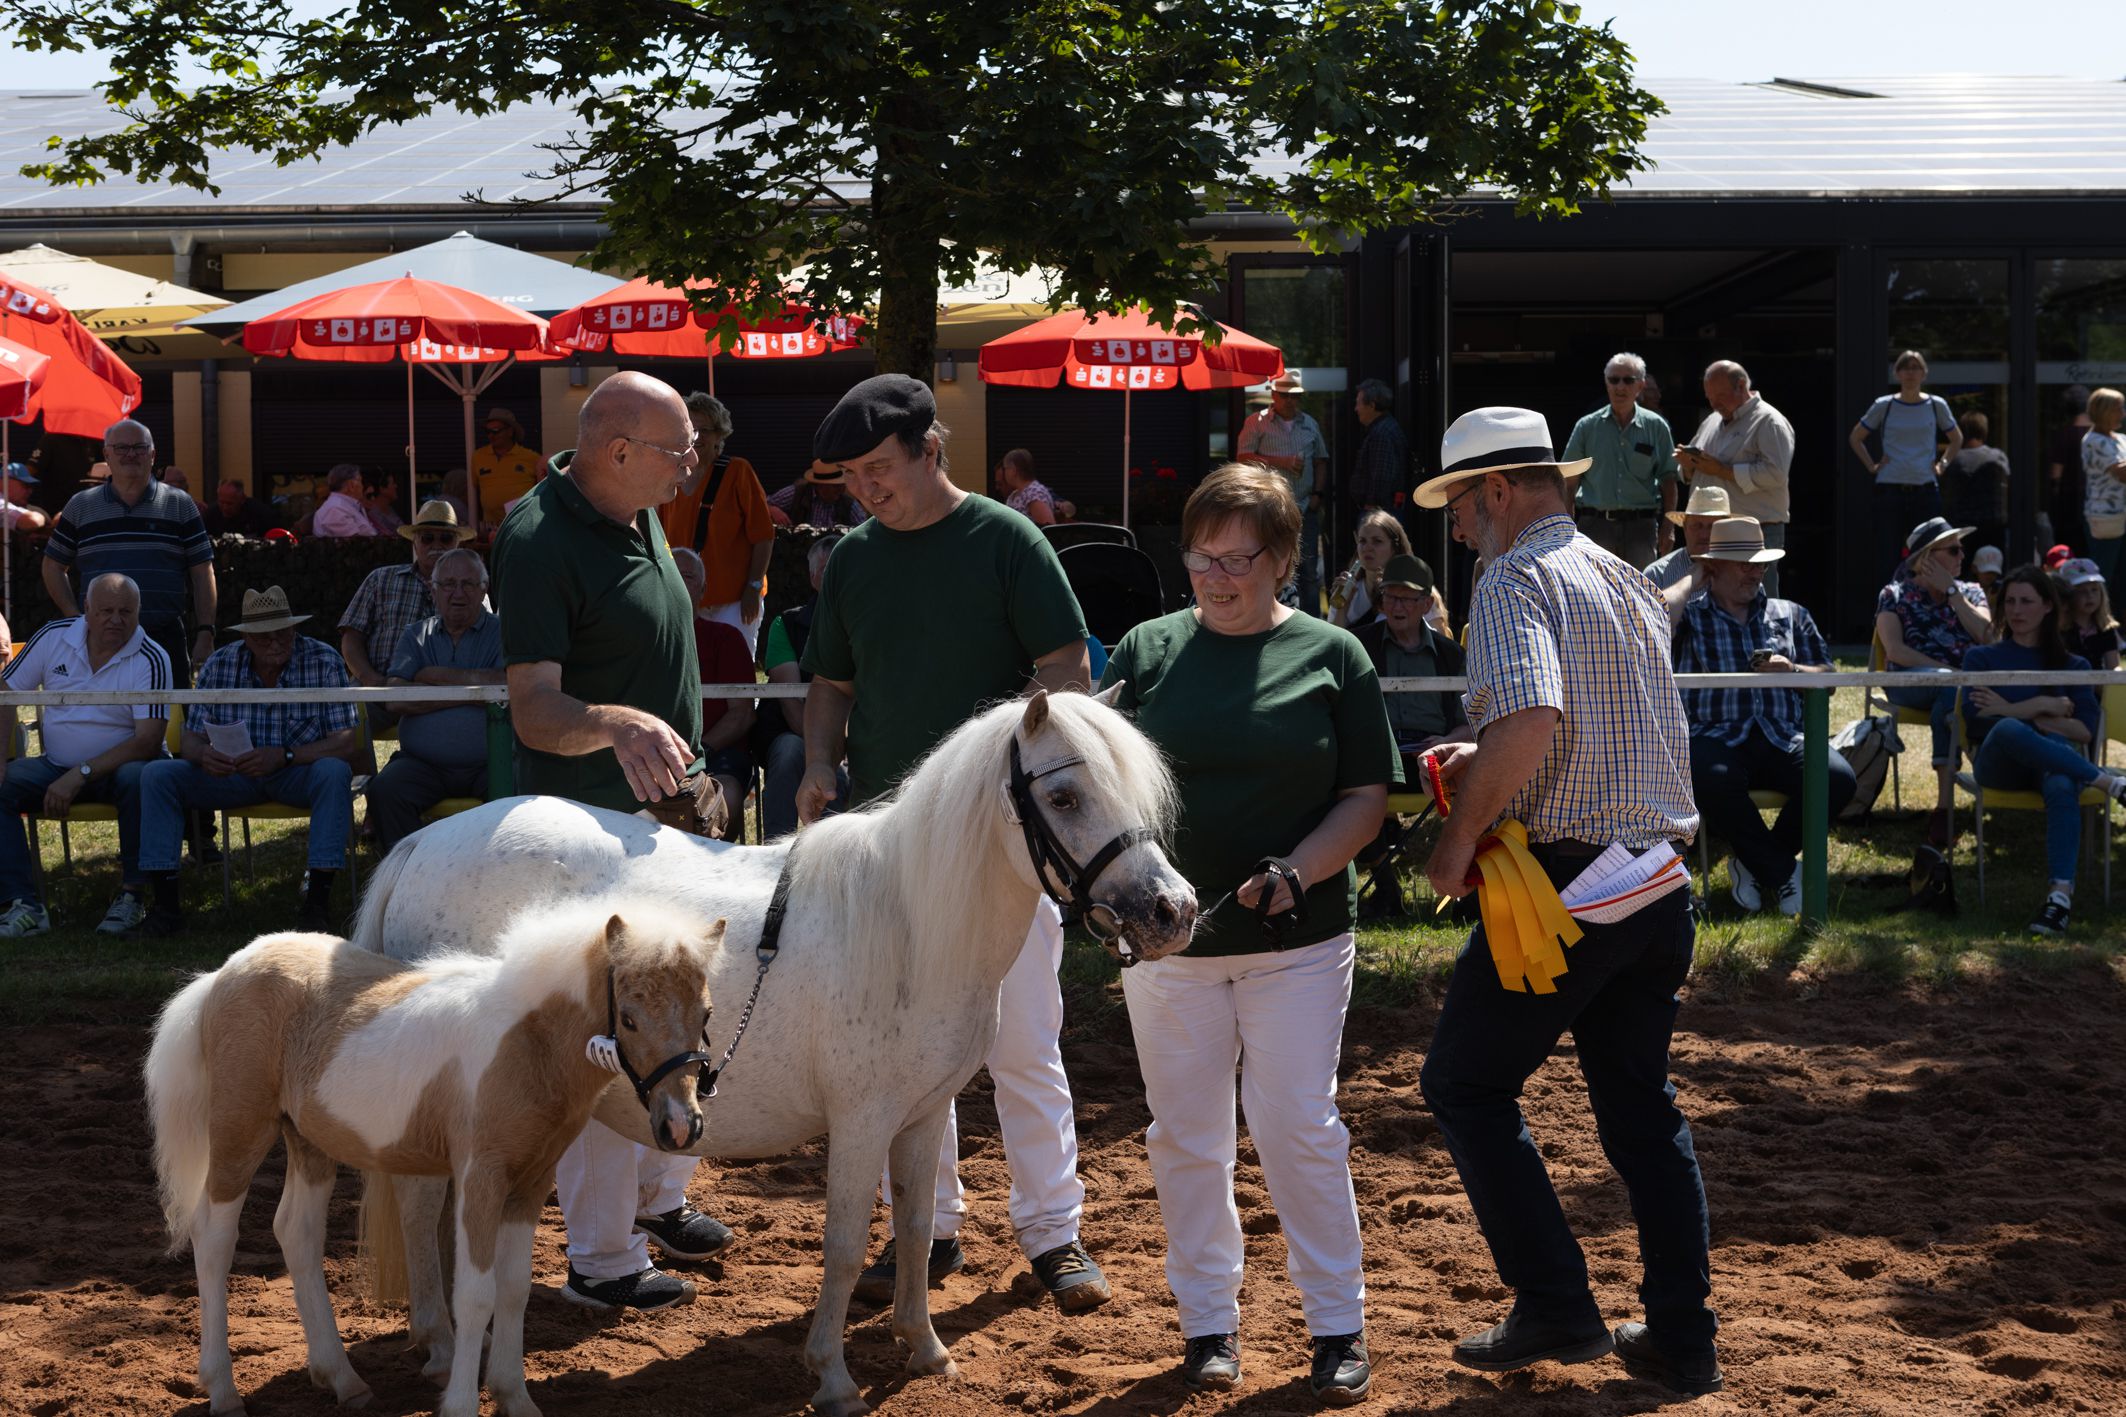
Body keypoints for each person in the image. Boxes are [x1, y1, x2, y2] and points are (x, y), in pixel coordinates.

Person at [1413, 405, 1719, 1398]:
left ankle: (1555, 1299)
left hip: (1571, 883)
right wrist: (1492, 758)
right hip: (1657, 877)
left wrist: (1457, 836)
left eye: (1457, 503)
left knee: (1463, 1083)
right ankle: (1680, 1333)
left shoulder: (1510, 577)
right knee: (1639, 1111)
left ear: (1497, 490)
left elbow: (1536, 717)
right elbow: (1600, 723)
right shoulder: (1622, 574)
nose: (1456, 525)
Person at [796, 373, 1109, 1315]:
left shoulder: (1008, 539)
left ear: (932, 449)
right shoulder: (852, 559)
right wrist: (817, 762)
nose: (865, 488)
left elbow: (1067, 674)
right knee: (897, 1053)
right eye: (850, 475)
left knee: (1022, 1042)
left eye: (878, 468)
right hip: (887, 850)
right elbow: (831, 686)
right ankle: (927, 1226)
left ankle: (1054, 1230)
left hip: (1002, 852)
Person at [1099, 464, 1393, 1401]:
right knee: (1185, 1136)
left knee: (1298, 1126)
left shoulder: (1335, 654)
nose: (1216, 575)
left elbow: (1365, 798)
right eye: (1200, 555)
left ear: (1283, 559)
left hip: (1296, 944)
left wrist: (1297, 870)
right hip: (1167, 947)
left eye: (1238, 557)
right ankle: (1207, 1326)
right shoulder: (1145, 649)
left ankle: (1337, 1324)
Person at [490, 369, 730, 1312]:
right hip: (593, 836)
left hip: (665, 822)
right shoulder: (543, 534)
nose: (693, 465)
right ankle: (599, 1256)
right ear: (617, 449)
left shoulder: (636, 507)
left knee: (681, 1025)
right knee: (608, 1045)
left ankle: (658, 1200)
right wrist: (620, 724)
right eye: (679, 451)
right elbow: (534, 711)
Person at [135, 585, 360, 936]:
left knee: (333, 771)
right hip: (232, 775)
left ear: (294, 630)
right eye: (262, 637)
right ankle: (165, 906)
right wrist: (204, 755)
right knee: (159, 775)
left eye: (282, 635)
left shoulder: (324, 660)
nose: (273, 643)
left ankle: (317, 903)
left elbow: (347, 742)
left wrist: (285, 756)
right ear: (246, 638)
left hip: (296, 773)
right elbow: (190, 737)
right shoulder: (220, 663)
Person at [1672, 516, 1854, 915]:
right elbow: (1649, 617)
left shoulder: (1791, 613)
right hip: (1716, 736)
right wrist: (1694, 577)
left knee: (1838, 778)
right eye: (1744, 563)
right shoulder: (1692, 615)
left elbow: (1830, 676)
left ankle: (1755, 864)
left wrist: (1793, 671)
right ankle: (1784, 871)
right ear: (1714, 567)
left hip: (1780, 734)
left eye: (1761, 563)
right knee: (1709, 777)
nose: (1756, 572)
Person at [0, 574, 173, 937]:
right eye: (106, 610)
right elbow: (6, 692)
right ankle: (23, 904)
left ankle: (132, 896)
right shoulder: (54, 636)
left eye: (126, 611)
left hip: (120, 769)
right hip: (55, 766)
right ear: (87, 611)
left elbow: (147, 741)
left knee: (139, 777)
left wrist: (80, 773)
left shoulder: (152, 657)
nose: (116, 619)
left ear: (139, 613)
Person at [1962, 565, 2126, 936]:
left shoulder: (2074, 665)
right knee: (2007, 729)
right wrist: (2043, 705)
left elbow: (2083, 730)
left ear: (2049, 606)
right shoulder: (1981, 659)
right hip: (1996, 764)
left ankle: (2059, 899)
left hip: (2052, 764)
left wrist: (2011, 708)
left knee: (2061, 783)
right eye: (2011, 602)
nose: (2016, 610)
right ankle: (2108, 783)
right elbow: (1978, 721)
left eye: (2027, 601)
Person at [44, 419, 218, 680]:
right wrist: (75, 618)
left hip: (164, 636)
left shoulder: (180, 505)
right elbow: (53, 566)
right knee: (101, 718)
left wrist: (206, 631)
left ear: (152, 455)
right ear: (107, 454)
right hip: (98, 641)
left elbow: (203, 572)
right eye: (122, 448)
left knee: (172, 717)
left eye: (139, 447)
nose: (130, 454)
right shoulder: (80, 506)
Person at [1351, 552, 1470, 918]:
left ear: (1427, 603)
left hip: (1436, 755)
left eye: (1406, 598)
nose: (1396, 606)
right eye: (1390, 597)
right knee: (1344, 785)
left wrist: (1449, 737)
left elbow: (1472, 722)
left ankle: (1470, 893)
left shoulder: (1451, 654)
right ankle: (1386, 888)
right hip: (1378, 755)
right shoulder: (1359, 646)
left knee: (1487, 777)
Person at [366, 548, 504, 853]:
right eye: (448, 584)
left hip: (491, 762)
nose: (458, 593)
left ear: (484, 588)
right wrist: (472, 694)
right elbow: (396, 698)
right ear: (433, 589)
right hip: (423, 764)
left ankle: (497, 872)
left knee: (517, 792)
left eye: (468, 584)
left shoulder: (502, 633)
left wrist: (433, 676)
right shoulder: (416, 635)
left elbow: (508, 685)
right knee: (385, 790)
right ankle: (408, 872)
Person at [1877, 516, 1991, 849]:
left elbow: (1988, 637)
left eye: (1961, 550)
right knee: (1949, 688)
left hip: (1962, 688)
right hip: (1909, 681)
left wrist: (1954, 594)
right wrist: (1947, 671)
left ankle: (1946, 807)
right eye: (1953, 551)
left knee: (1951, 697)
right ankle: (1948, 805)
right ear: (1926, 558)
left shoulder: (1969, 591)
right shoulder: (1894, 593)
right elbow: (1896, 650)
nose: (1962, 558)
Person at [659, 392, 773, 657]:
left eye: (704, 430)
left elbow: (764, 536)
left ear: (719, 435)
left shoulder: (737, 471)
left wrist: (753, 587)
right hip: (683, 595)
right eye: (691, 429)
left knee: (737, 666)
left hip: (734, 598)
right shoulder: (670, 474)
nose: (696, 437)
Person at [1679, 361, 1792, 596]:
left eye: (1719, 396)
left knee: (1757, 603)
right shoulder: (1711, 421)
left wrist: (1721, 470)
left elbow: (1776, 474)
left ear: (1741, 386)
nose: (1713, 403)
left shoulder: (1769, 421)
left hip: (1754, 534)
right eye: (1709, 397)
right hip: (1712, 536)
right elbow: (1694, 471)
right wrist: (1689, 466)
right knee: (1712, 604)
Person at [758, 532, 842, 840]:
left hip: (856, 735)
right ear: (813, 576)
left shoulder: (867, 620)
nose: (838, 576)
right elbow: (791, 706)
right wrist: (826, 747)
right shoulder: (786, 624)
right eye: (829, 568)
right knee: (790, 750)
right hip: (797, 733)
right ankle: (775, 852)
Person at [339, 500, 473, 692]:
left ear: (457, 544)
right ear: (415, 542)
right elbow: (351, 636)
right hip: (377, 690)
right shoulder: (381, 579)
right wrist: (371, 679)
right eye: (427, 538)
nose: (437, 545)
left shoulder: (472, 589)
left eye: (446, 538)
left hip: (441, 696)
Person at [1561, 351, 1680, 568]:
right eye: (1614, 380)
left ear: (1641, 386)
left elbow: (1669, 479)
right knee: (1595, 593)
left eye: (1628, 380)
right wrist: (1567, 526)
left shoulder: (1656, 426)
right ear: (1606, 383)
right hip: (1595, 526)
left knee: (1641, 595)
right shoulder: (1587, 426)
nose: (1620, 387)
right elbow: (1570, 480)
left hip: (1641, 528)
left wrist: (1668, 526)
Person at [1848, 350, 1961, 573]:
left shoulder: (1935, 404)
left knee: (1928, 553)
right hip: (1890, 489)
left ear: (1924, 374)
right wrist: (1872, 466)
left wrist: (1942, 464)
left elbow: (1956, 438)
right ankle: (1890, 602)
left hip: (1925, 489)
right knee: (1886, 555)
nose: (1911, 373)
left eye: (1916, 367)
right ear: (1897, 373)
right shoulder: (1885, 404)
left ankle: (1925, 603)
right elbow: (1856, 437)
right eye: (1905, 368)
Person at [672, 547, 755, 841]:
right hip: (655, 754)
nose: (680, 581)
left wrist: (699, 750)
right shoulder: (642, 642)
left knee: (724, 799)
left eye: (689, 576)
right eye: (673, 574)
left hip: (718, 754)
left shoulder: (726, 639)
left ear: (704, 589)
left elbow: (742, 714)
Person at [1241, 373, 1329, 613]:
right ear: (1273, 395)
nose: (1291, 401)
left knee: (1309, 571)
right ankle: (1270, 617)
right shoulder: (1257, 422)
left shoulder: (1309, 423)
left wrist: (1317, 495)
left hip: (1303, 507)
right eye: (1286, 396)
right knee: (1271, 564)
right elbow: (1243, 458)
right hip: (1269, 507)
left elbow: (1321, 460)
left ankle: (1311, 624)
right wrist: (1281, 461)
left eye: (1296, 396)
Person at [1644, 482, 1729, 610]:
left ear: (1726, 530)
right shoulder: (1657, 575)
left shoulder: (1742, 572)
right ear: (1684, 528)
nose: (1704, 534)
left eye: (1713, 527)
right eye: (1697, 525)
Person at [1327, 509, 1412, 630]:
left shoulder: (1413, 591)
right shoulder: (1347, 591)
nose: (1367, 548)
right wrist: (1342, 607)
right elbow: (1334, 643)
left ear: (1394, 547)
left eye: (1377, 541)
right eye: (1362, 541)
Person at [1941, 411, 2009, 560]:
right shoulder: (1997, 456)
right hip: (1993, 526)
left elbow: (1947, 494)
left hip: (1961, 527)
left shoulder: (1953, 459)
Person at [2080, 388, 2126, 582]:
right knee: (2102, 578)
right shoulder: (2094, 441)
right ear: (2103, 411)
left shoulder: (2121, 439)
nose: (2123, 413)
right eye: (2118, 408)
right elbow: (2122, 473)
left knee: (2121, 577)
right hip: (2105, 519)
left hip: (2122, 516)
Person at [471, 406, 542, 527]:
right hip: (491, 526)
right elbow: (475, 491)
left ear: (510, 431)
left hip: (521, 523)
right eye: (488, 431)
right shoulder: (478, 457)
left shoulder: (532, 458)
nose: (491, 436)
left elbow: (541, 491)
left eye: (496, 431)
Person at [2047, 384, 2092, 554]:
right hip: (2094, 501)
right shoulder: (2099, 435)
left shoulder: (2065, 435)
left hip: (2070, 502)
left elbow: (2056, 473)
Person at [2056, 558, 2122, 670]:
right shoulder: (2059, 630)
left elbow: (2113, 667)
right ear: (2068, 595)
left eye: (2094, 590)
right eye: (2081, 591)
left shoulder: (2105, 629)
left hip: (2098, 685)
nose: (2090, 596)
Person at [767, 461, 868, 529]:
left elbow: (865, 528)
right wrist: (772, 509)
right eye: (835, 486)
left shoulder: (848, 504)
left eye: (842, 485)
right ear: (819, 485)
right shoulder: (797, 493)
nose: (841, 490)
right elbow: (761, 504)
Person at [994, 447, 1060, 526]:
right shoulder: (1015, 494)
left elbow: (1048, 528)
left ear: (1013, 470)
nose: (1004, 473)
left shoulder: (1034, 494)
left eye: (1005, 469)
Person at [309, 463, 376, 538]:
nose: (362, 486)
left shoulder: (345, 506)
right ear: (351, 485)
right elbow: (356, 545)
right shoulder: (336, 509)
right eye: (360, 481)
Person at [204, 478, 273, 538]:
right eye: (221, 502)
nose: (225, 508)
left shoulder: (260, 513)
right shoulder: (210, 515)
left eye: (230, 504)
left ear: (242, 499)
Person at [2, 461, 49, 534]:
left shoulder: (33, 510)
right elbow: (32, 520)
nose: (30, 491)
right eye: (25, 485)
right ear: (6, 483)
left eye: (31, 487)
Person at [362, 466, 405, 537]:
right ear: (382, 488)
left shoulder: (390, 510)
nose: (396, 486)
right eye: (393, 483)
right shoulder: (371, 515)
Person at [1972, 544, 2005, 619]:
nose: (1990, 576)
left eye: (1993, 572)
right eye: (1986, 572)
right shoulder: (1963, 592)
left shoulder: (2000, 592)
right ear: (1974, 568)